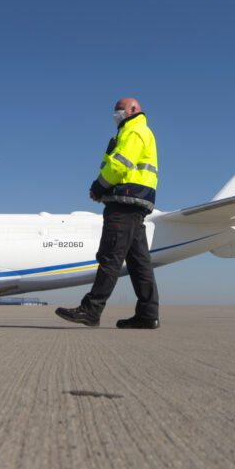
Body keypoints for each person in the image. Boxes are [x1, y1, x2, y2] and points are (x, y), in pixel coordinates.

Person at [55, 97, 160, 329]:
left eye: (119, 110)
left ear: (134, 109)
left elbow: (119, 165)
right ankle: (148, 314)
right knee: (139, 263)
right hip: (136, 202)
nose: (116, 114)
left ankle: (91, 309)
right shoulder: (138, 131)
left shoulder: (134, 131)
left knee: (110, 256)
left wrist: (98, 187)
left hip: (124, 201)